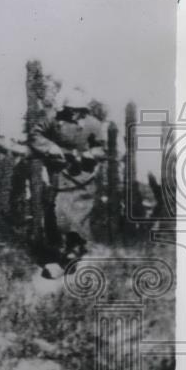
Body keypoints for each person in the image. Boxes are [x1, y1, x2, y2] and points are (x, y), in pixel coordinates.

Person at [28, 87, 107, 272]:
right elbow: (35, 135)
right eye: (69, 108)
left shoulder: (93, 124)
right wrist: (50, 146)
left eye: (76, 109)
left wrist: (90, 154)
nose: (72, 112)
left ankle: (75, 252)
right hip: (60, 173)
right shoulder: (53, 119)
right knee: (59, 212)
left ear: (83, 110)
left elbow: (102, 149)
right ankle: (59, 252)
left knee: (79, 216)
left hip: (83, 176)